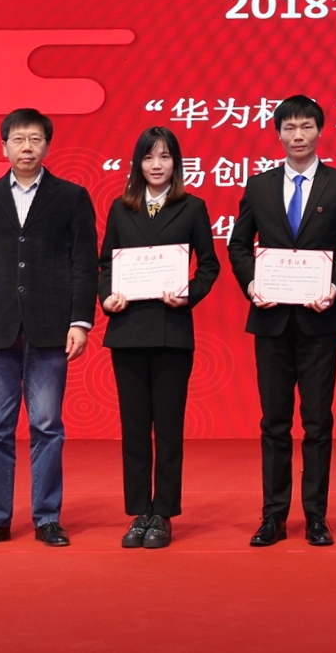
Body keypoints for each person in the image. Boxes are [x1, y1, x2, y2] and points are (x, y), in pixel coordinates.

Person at [227, 95, 336, 548]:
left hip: (319, 319)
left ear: (319, 131)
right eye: (289, 127)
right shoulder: (259, 185)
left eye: (306, 126)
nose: (298, 135)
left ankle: (315, 516)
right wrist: (251, 283)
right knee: (274, 422)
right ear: (278, 133)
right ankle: (273, 516)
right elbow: (237, 246)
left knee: (316, 422)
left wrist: (335, 286)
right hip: (271, 319)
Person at [0, 107, 97, 548]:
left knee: (48, 427)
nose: (27, 147)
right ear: (4, 147)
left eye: (35, 139)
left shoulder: (71, 197)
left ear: (47, 146)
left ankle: (47, 517)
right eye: (18, 139)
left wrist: (80, 321)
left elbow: (83, 264)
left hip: (50, 328)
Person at [96, 127, 220, 549]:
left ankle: (163, 513)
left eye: (164, 157)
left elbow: (210, 266)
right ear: (138, 164)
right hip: (128, 330)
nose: (156, 165)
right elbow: (105, 264)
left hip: (171, 331)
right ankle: (139, 513)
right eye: (148, 157)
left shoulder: (192, 207)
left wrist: (188, 294)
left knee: (167, 428)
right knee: (134, 429)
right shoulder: (120, 208)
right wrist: (107, 297)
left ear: (176, 163)